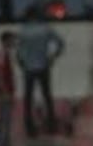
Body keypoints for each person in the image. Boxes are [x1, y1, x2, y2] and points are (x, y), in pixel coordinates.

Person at [17, 8, 63, 137]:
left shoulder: (23, 30)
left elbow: (19, 51)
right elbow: (60, 42)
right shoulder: (45, 28)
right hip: (43, 65)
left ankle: (29, 126)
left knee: (28, 98)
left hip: (29, 68)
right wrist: (53, 56)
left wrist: (22, 62)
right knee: (47, 95)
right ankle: (51, 123)